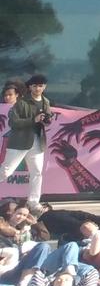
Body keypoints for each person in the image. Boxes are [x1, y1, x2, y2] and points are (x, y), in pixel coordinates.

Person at [1, 73, 53, 206]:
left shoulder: (46, 101)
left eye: (40, 86)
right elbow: (13, 122)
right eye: (35, 86)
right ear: (30, 87)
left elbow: (46, 120)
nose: (37, 89)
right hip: (19, 141)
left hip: (37, 141)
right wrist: (33, 120)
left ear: (44, 87)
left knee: (36, 172)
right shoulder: (21, 102)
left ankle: (33, 202)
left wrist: (47, 120)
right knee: (6, 171)